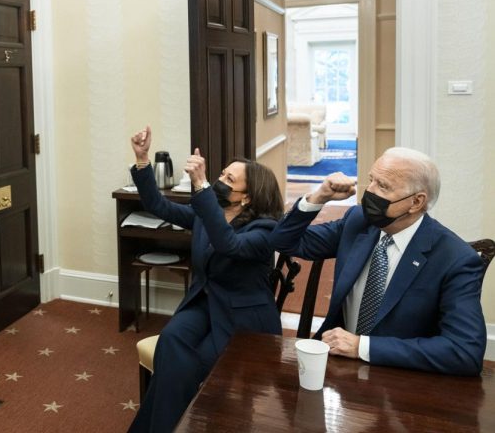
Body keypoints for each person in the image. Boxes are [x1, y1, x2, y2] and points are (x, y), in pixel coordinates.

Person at [270, 147, 486, 376]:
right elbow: (284, 241)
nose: (369, 192)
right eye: (371, 180)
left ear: (416, 202)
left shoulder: (455, 259)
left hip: (403, 381)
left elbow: (465, 351)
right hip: (338, 370)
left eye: (383, 186)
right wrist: (318, 197)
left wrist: (361, 346)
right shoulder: (358, 221)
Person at [127, 126, 284, 433]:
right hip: (205, 302)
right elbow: (158, 206)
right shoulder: (206, 212)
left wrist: (199, 186)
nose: (218, 181)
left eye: (228, 179)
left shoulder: (264, 230)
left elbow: (229, 244)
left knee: (189, 366)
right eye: (221, 174)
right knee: (171, 342)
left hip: (243, 317)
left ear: (248, 197)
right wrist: (142, 159)